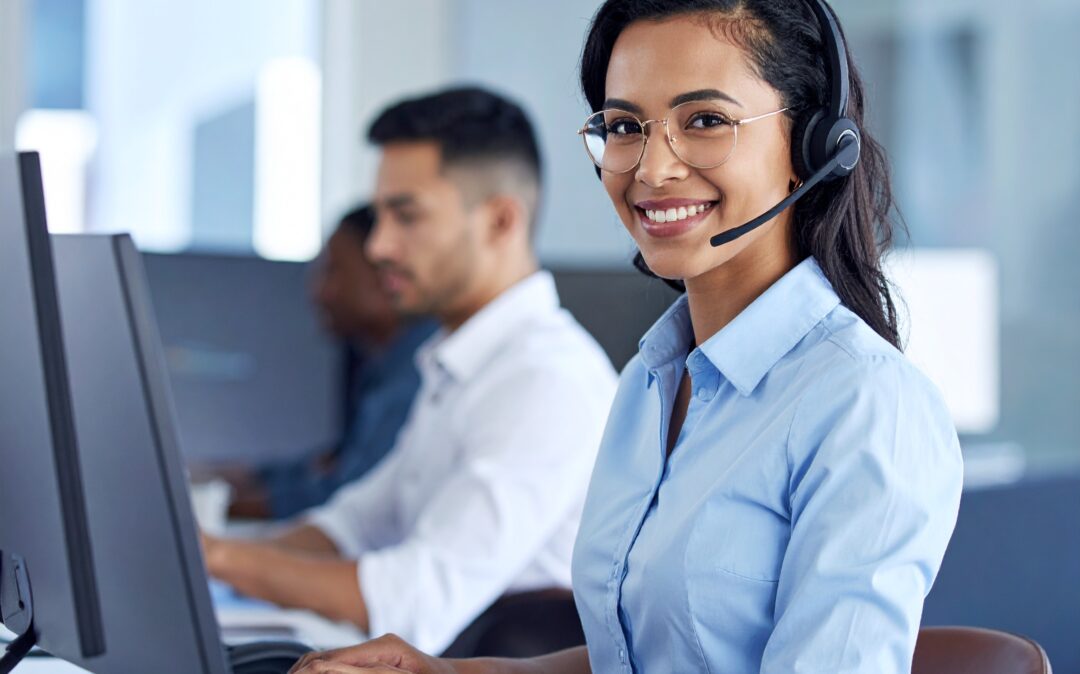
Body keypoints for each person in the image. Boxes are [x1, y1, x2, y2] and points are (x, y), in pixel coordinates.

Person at [287, 1, 964, 673]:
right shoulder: (650, 381)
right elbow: (644, 658)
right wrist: (450, 671)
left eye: (704, 121)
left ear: (811, 145)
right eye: (624, 126)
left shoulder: (867, 406)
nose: (651, 168)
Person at [201, 86, 618, 655]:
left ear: (500, 221)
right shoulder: (460, 366)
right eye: (379, 218)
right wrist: (212, 560)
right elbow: (351, 526)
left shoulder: (546, 380)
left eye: (406, 216)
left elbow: (414, 598)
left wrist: (216, 556)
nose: (377, 246)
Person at [216, 204, 438, 520]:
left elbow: (349, 497)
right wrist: (244, 478)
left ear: (384, 277)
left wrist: (214, 508)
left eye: (333, 270)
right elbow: (331, 467)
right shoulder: (384, 370)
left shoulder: (418, 375)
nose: (318, 292)